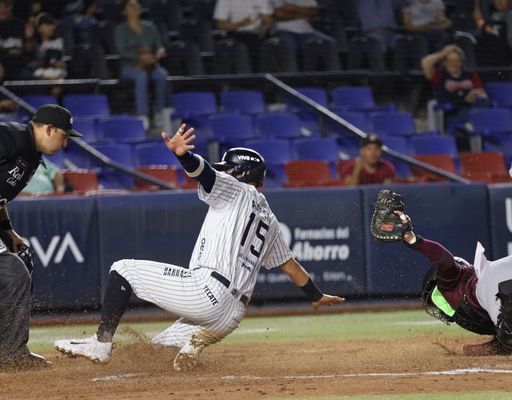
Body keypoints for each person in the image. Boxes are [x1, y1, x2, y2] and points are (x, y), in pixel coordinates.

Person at [54, 123, 345, 371]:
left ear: (242, 174)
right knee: (155, 353)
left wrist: (184, 156)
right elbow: (289, 265)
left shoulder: (237, 190)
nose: (225, 173)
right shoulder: (270, 220)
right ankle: (193, 344)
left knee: (122, 270)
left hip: (208, 292)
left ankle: (100, 344)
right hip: (230, 317)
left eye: (229, 169)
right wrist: (316, 295)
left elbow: (204, 173)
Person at [370, 129, 512, 355]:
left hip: (490, 288)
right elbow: (499, 345)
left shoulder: (452, 286)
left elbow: (443, 260)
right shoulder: (468, 311)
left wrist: (414, 240)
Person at [0, 104, 82, 371]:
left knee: (19, 263)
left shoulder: (32, 156)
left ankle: (10, 350)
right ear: (48, 128)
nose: (66, 143)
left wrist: (9, 230)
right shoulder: (11, 136)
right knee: (13, 271)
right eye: (64, 135)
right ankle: (11, 354)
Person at [114, 0, 169, 130]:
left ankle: (160, 112)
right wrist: (140, 58)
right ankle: (143, 114)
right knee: (141, 76)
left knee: (162, 75)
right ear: (124, 11)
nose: (134, 8)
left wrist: (158, 54)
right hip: (130, 67)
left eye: (136, 6)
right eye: (130, 6)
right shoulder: (120, 29)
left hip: (152, 65)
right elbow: (121, 51)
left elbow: (159, 46)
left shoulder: (150, 27)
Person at [421, 44, 487, 135]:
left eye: (457, 61)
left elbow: (482, 92)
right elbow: (425, 62)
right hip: (452, 112)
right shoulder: (439, 75)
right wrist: (442, 53)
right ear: (444, 62)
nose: (454, 64)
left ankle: (472, 124)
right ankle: (470, 124)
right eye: (451, 61)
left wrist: (475, 94)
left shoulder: (470, 74)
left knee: (483, 102)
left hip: (471, 108)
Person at [272, 0, 337, 72]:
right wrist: (303, 13)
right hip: (283, 31)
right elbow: (279, 14)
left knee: (329, 42)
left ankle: (338, 81)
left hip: (308, 32)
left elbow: (313, 11)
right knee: (286, 45)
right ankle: (292, 80)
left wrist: (291, 9)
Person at [213, 0, 273, 72]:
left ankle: (263, 80)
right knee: (240, 47)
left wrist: (263, 30)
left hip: (257, 35)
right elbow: (221, 24)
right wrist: (241, 24)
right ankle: (246, 81)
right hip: (234, 35)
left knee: (269, 44)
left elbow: (267, 20)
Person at [474, 0, 512, 67]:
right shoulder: (494, 16)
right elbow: (482, 25)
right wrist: (477, 5)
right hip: (495, 58)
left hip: (508, 58)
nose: (499, 1)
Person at [0, 0, 36, 80]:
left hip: (19, 68)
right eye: (2, 5)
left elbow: (30, 50)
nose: (4, 9)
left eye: (7, 5)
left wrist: (29, 38)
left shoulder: (19, 24)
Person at [33, 13, 67, 80]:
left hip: (57, 72)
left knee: (59, 79)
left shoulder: (58, 42)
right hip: (40, 73)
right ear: (39, 28)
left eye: (52, 25)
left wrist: (60, 64)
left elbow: (62, 61)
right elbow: (34, 63)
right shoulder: (34, 43)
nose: (52, 28)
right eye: (48, 25)